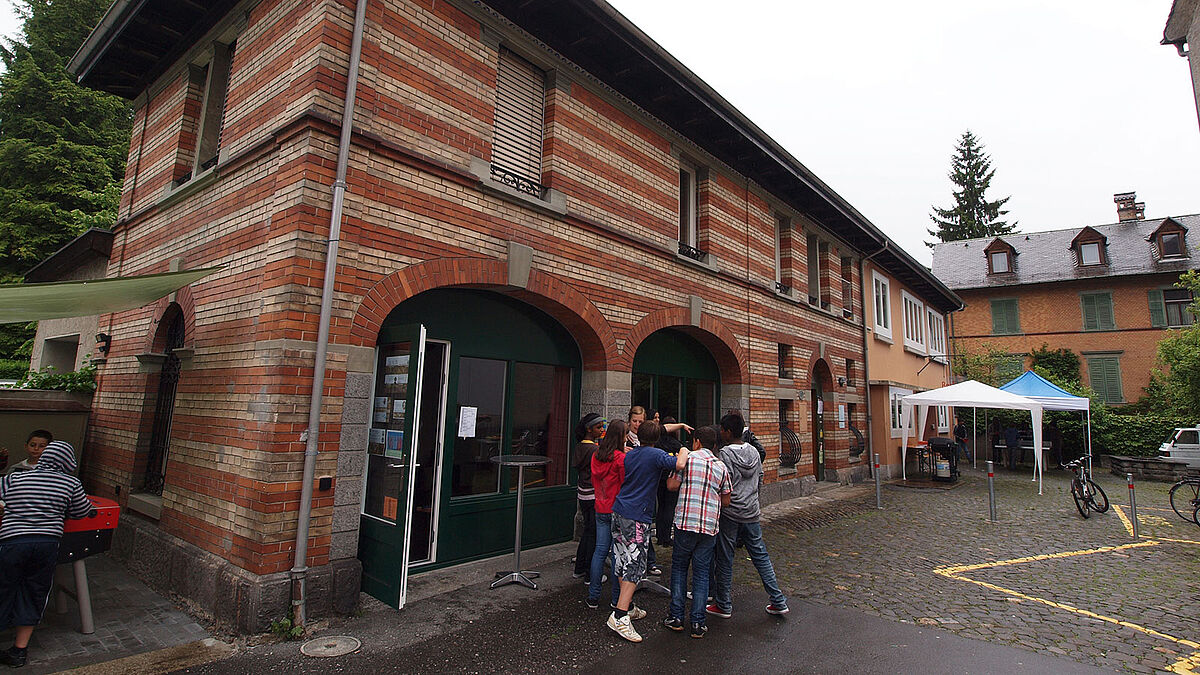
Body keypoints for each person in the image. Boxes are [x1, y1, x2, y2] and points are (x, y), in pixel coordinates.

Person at [0, 440, 95, 667]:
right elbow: (82, 511)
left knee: (3, 587)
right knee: (34, 591)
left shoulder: (16, 478)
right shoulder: (71, 483)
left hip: (13, 542)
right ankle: (18, 652)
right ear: (68, 462)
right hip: (46, 544)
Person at [606, 421, 689, 643]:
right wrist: (684, 448)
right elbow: (680, 464)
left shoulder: (631, 454)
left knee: (622, 561)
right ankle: (620, 616)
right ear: (656, 440)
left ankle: (626, 604)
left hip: (619, 511)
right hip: (637, 516)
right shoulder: (655, 455)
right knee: (634, 566)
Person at [709, 412, 790, 619]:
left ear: (727, 432)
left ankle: (723, 604)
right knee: (760, 556)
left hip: (730, 513)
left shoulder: (725, 454)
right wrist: (754, 500)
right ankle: (778, 600)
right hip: (752, 512)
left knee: (725, 557)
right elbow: (760, 477)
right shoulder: (754, 452)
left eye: (722, 429)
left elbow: (722, 482)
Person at [663, 425, 730, 639]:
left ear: (697, 442)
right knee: (702, 573)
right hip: (708, 526)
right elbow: (726, 500)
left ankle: (676, 617)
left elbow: (672, 485)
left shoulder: (688, 460)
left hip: (685, 523)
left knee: (680, 568)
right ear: (715, 445)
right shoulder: (721, 467)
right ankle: (698, 623)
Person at [587, 420, 627, 610]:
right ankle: (616, 598)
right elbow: (625, 482)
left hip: (600, 506)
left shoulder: (596, 455)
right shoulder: (619, 458)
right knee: (616, 554)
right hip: (616, 509)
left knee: (599, 551)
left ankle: (593, 596)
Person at [572, 413, 607, 581]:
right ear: (589, 429)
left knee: (587, 531)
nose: (602, 430)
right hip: (593, 495)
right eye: (599, 427)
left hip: (582, 493)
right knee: (593, 534)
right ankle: (589, 573)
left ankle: (580, 567)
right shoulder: (594, 449)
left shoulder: (581, 446)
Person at [655, 415, 683, 547]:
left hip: (659, 478)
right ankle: (666, 537)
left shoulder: (658, 442)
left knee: (661, 506)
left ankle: (660, 536)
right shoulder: (677, 445)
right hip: (672, 479)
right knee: (669, 507)